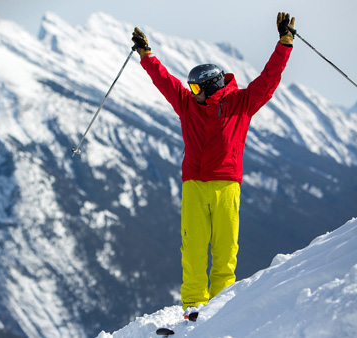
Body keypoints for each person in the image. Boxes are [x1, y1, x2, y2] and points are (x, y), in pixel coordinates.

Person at [132, 12, 295, 321]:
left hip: (226, 185)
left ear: (211, 85)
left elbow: (268, 80)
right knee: (192, 248)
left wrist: (284, 44)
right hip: (194, 184)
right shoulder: (188, 105)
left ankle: (222, 306)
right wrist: (146, 55)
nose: (192, 94)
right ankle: (193, 305)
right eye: (191, 89)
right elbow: (164, 81)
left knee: (225, 250)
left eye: (197, 89)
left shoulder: (241, 103)